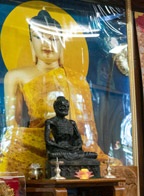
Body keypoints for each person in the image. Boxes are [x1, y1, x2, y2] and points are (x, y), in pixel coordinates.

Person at [1, 9, 115, 175]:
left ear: (62, 42)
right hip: (38, 144)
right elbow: (13, 127)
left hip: (76, 148)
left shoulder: (77, 79)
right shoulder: (16, 76)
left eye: (53, 38)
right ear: (31, 41)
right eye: (39, 37)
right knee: (11, 156)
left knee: (107, 163)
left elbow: (88, 130)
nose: (46, 44)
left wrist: (81, 146)